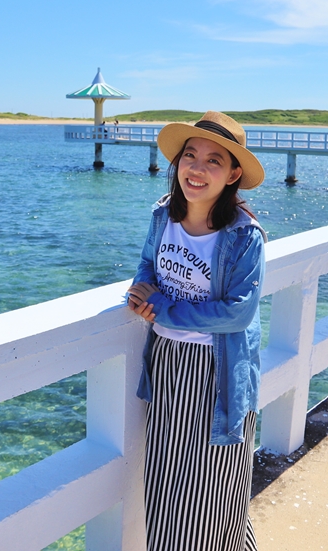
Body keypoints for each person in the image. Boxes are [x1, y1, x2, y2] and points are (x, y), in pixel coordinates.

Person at [126, 111, 266, 551]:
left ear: (233, 174)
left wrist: (164, 308)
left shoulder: (245, 237)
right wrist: (140, 288)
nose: (197, 168)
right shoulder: (163, 214)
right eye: (191, 156)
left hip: (217, 375)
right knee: (168, 490)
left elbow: (237, 314)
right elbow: (150, 261)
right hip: (168, 369)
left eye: (213, 161)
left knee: (215, 495)